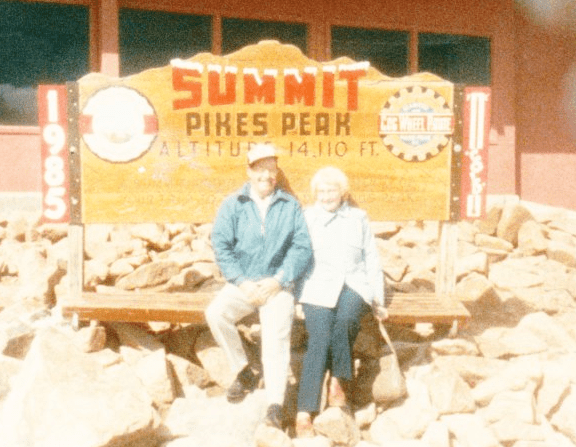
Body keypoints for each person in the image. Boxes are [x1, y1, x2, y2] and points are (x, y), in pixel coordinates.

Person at [205, 143, 313, 430]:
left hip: (278, 286)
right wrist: (241, 282)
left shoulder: (289, 205)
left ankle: (275, 405)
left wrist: (279, 280)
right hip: (244, 283)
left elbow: (301, 248)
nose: (267, 175)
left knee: (276, 336)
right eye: (260, 170)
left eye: (271, 170)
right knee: (216, 314)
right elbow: (221, 246)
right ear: (249, 171)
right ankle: (244, 371)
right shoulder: (233, 204)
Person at [294, 166, 388, 438]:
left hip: (353, 284)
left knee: (346, 319)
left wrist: (378, 298)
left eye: (331, 190)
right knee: (319, 338)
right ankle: (304, 411)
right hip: (317, 287)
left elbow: (371, 258)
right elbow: (297, 258)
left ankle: (338, 379)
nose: (326, 196)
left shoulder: (358, 217)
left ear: (342, 192)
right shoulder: (307, 217)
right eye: (321, 191)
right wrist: (295, 298)